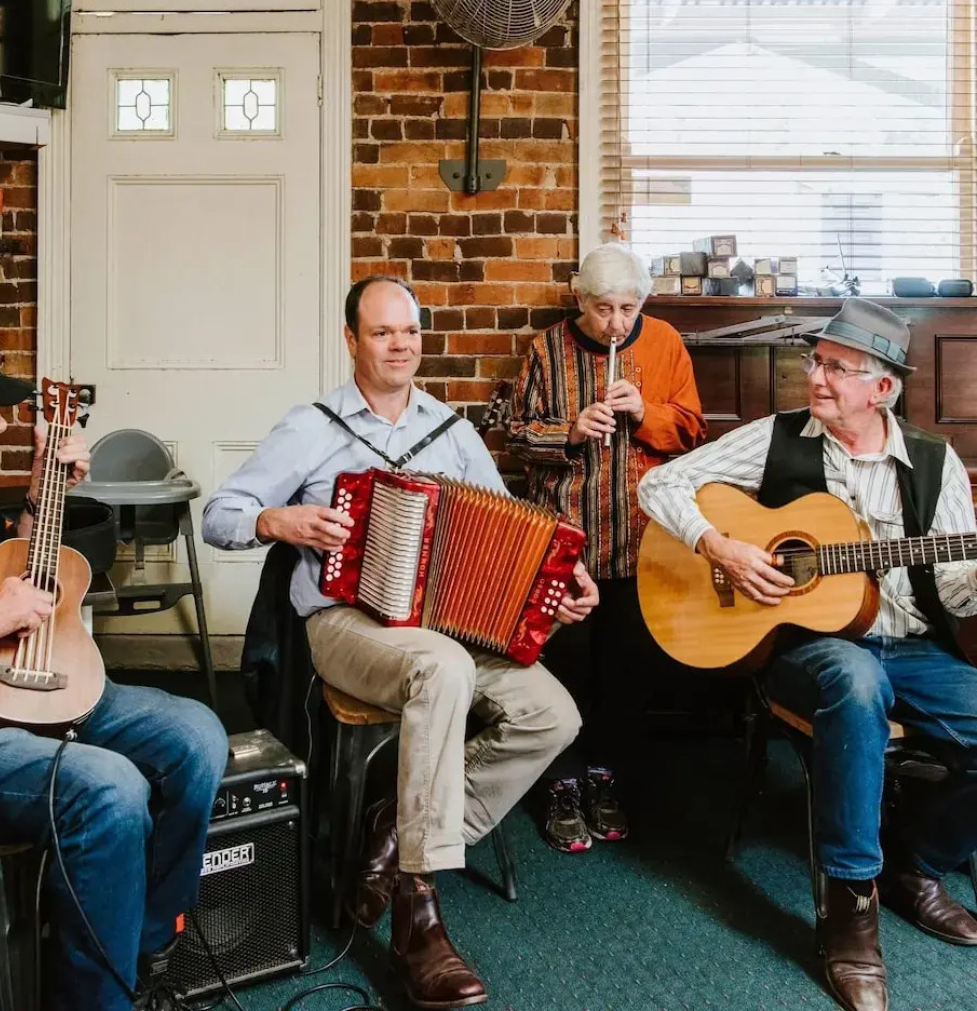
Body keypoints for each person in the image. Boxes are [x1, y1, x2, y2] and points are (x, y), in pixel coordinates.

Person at [203, 275, 598, 1010]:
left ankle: (392, 831)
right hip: (344, 626)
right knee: (442, 669)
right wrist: (278, 523)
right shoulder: (312, 427)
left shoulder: (451, 432)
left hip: (446, 627)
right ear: (351, 340)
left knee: (554, 713)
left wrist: (565, 578)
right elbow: (220, 513)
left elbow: (517, 534)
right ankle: (418, 910)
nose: (400, 345)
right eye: (383, 332)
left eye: (410, 332)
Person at [637, 297, 977, 1011]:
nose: (816, 379)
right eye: (815, 362)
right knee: (855, 687)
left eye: (838, 368)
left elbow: (954, 586)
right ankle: (851, 914)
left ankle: (918, 870)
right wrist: (720, 545)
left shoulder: (933, 462)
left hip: (912, 644)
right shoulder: (775, 437)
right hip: (807, 644)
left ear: (882, 387)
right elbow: (659, 481)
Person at [0, 332, 228, 1011]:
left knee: (197, 734)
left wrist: (47, 487)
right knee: (107, 789)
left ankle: (135, 949)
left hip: (1, 679)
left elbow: (11, 572)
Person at [508, 243, 706, 852]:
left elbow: (694, 433)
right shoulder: (545, 348)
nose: (616, 323)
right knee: (565, 666)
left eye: (628, 308)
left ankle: (606, 776)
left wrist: (646, 413)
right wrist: (567, 430)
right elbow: (515, 434)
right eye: (602, 309)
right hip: (566, 542)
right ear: (579, 300)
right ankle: (560, 782)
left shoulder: (666, 342)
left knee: (626, 671)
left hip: (643, 544)